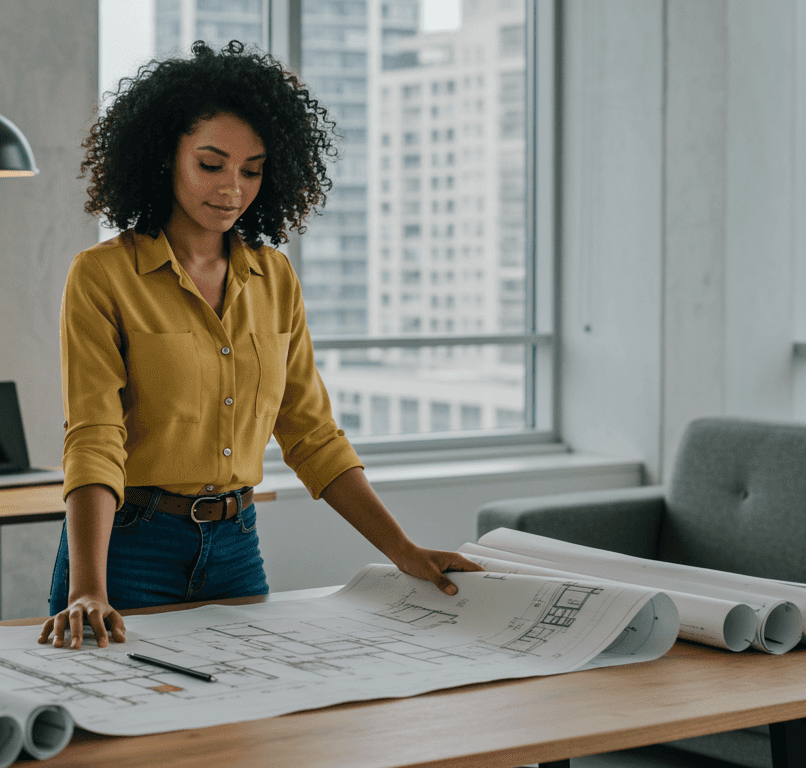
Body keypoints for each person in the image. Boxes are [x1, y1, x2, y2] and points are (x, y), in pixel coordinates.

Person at [40, 40, 480, 650]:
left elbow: (312, 435)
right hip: (128, 548)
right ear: (165, 157)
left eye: (252, 170)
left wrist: (402, 551)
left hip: (235, 546)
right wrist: (89, 586)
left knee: (246, 735)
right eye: (211, 164)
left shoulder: (273, 277)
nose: (232, 188)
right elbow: (94, 435)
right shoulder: (102, 275)